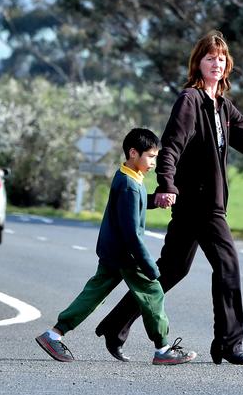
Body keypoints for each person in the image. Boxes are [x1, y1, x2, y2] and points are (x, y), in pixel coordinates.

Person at [94, 30, 243, 365]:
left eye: (221, 58)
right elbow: (171, 147)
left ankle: (116, 324)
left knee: (170, 270)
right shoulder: (190, 101)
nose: (217, 62)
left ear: (227, 67)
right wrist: (166, 183)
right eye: (210, 57)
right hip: (198, 202)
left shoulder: (223, 107)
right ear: (197, 63)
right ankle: (229, 343)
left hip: (207, 203)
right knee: (227, 267)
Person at [35, 128, 197, 365]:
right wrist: (149, 265)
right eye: (150, 156)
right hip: (127, 255)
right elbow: (132, 232)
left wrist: (155, 199)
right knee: (153, 293)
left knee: (92, 294)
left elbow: (132, 207)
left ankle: (54, 334)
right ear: (134, 153)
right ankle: (162, 349)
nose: (154, 161)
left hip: (113, 251)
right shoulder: (130, 185)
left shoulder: (127, 176)